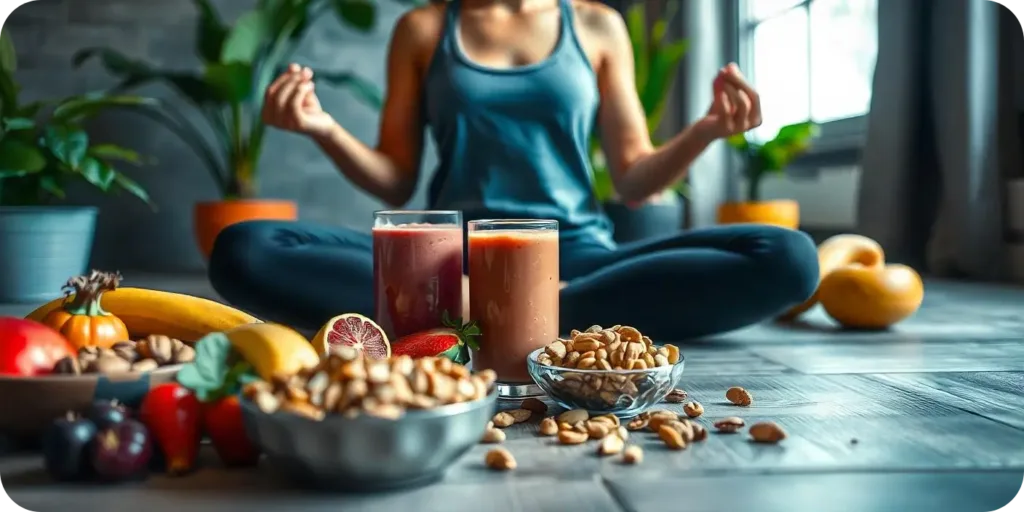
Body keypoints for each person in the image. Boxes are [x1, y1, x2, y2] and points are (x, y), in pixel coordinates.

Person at [208, 0, 819, 340]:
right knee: (245, 247)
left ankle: (530, 313)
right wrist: (322, 126)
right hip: (447, 266)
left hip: (576, 258)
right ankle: (535, 320)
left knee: (789, 257)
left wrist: (709, 127)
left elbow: (636, 179)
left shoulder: (596, 25)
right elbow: (394, 178)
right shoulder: (422, 28)